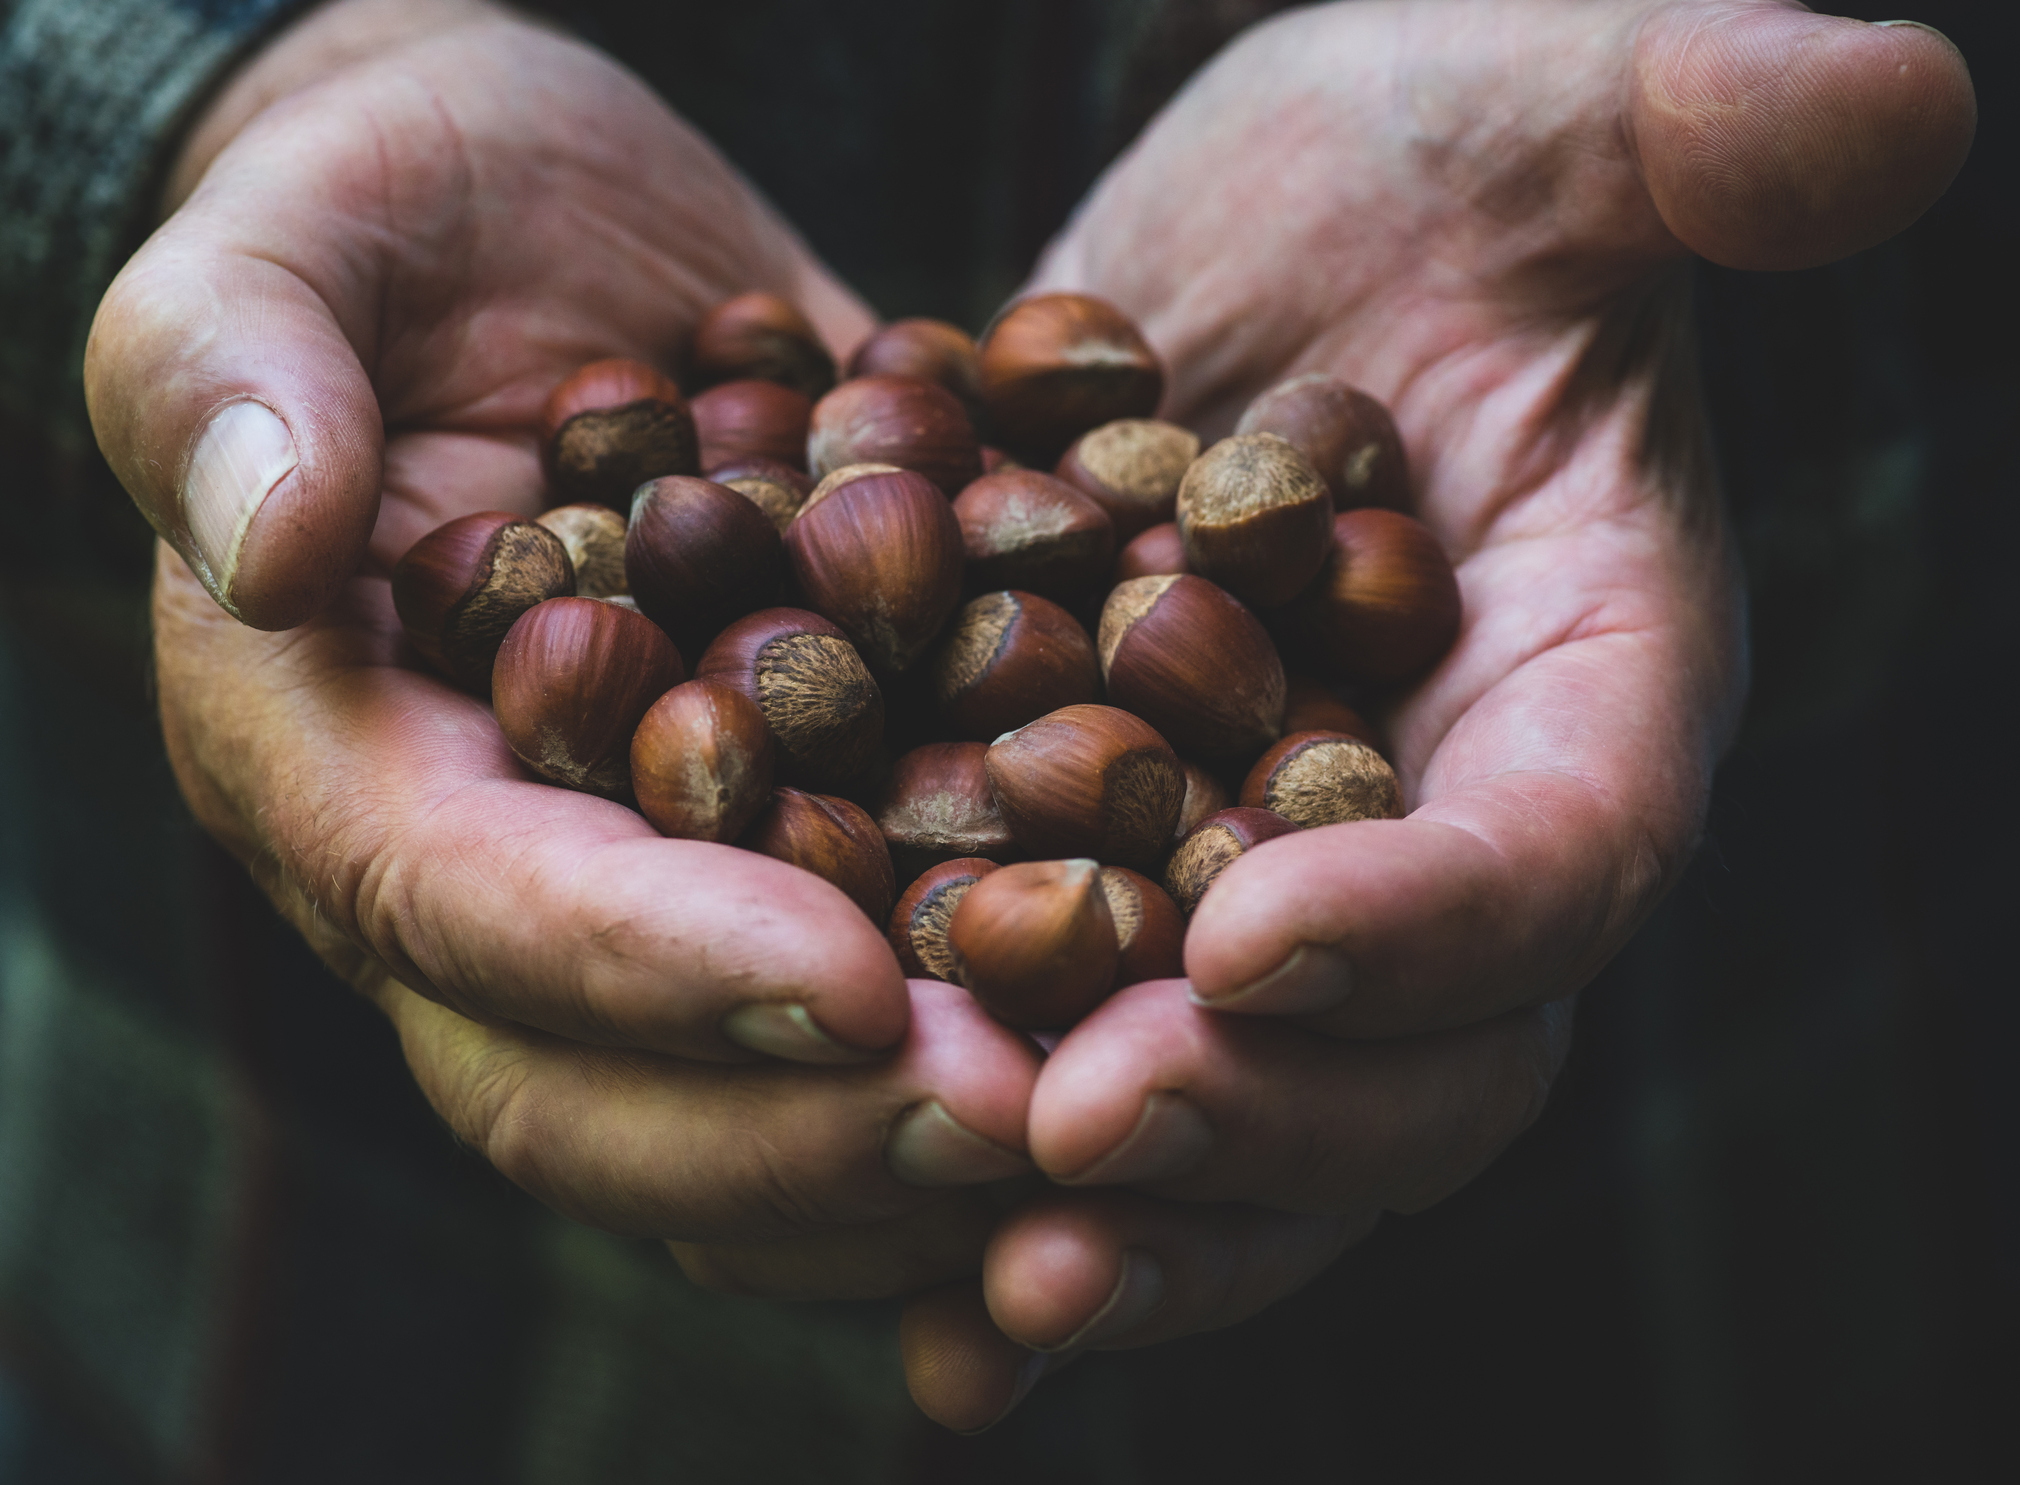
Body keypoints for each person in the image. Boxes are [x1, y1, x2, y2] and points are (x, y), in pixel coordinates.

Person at [3, 0, 1977, 1449]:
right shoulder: (830, 561)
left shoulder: (989, 588)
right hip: (279, 1193)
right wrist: (186, 79)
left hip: (1719, 1130)